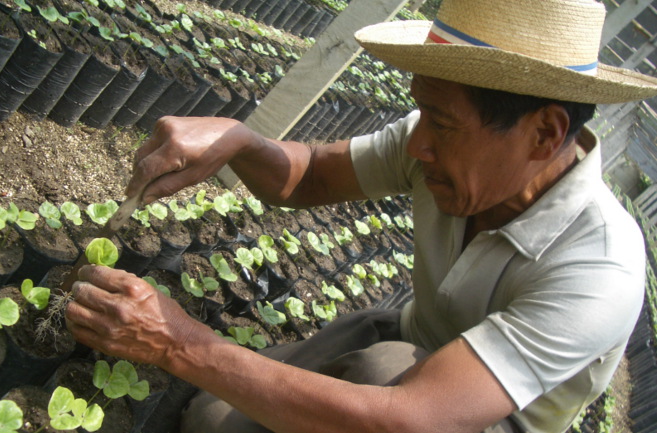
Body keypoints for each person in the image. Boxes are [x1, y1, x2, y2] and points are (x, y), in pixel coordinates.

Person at [64, 0, 657, 432]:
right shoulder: (440, 150)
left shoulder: (600, 270)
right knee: (212, 418)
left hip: (477, 417)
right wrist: (241, 141)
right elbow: (314, 174)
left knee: (380, 376)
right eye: (420, 113)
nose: (417, 144)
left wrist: (176, 341)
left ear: (545, 133)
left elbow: (415, 418)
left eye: (442, 123)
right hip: (407, 341)